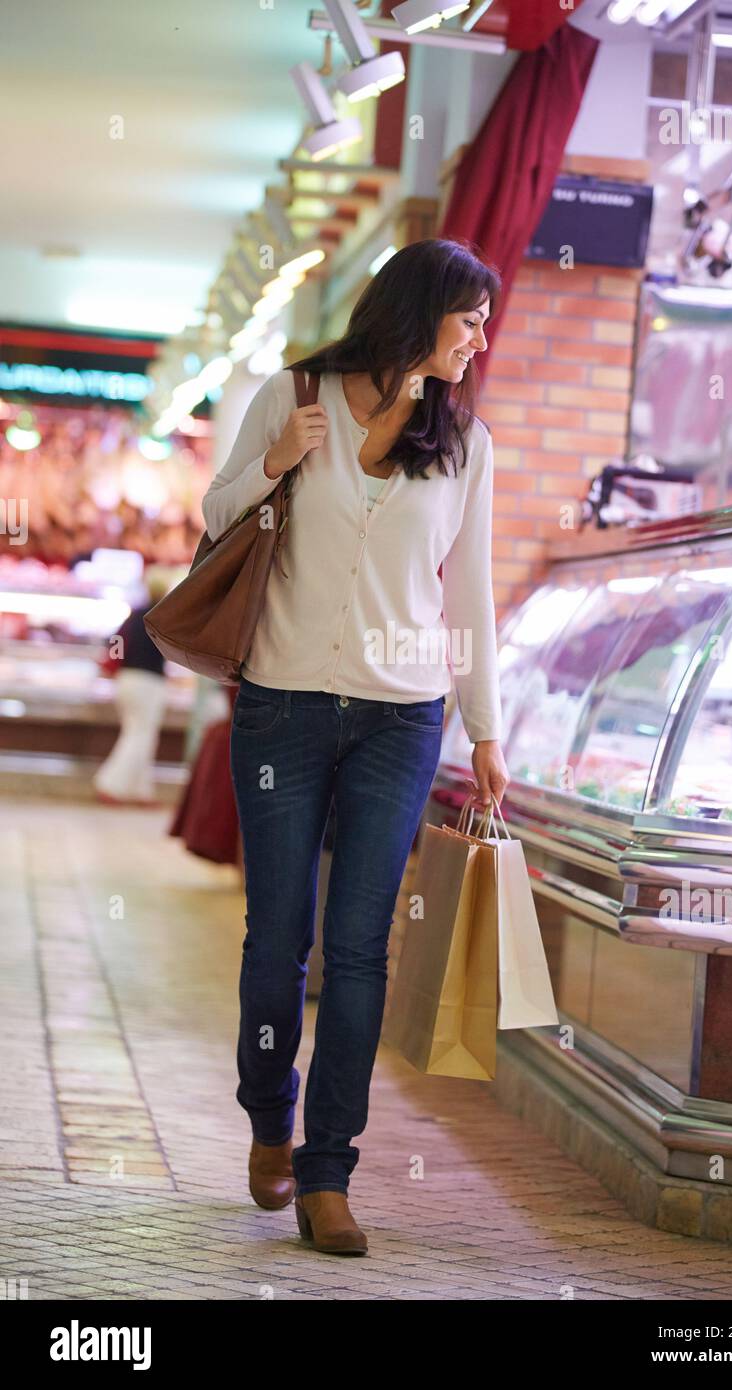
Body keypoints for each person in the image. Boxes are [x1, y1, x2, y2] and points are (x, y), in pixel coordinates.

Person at [201, 237, 510, 1256]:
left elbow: (465, 594)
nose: (478, 339)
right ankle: (265, 1116)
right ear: (416, 309)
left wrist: (485, 727)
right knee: (276, 936)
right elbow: (215, 516)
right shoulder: (296, 396)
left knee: (358, 948)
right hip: (283, 702)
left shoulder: (464, 443)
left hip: (400, 714)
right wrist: (272, 464)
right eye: (467, 317)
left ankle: (328, 1170)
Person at [93, 567, 171, 806]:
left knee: (140, 734)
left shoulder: (135, 615)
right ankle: (110, 784)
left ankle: (140, 791)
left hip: (127, 681)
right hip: (148, 684)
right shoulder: (165, 616)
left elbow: (114, 641)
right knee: (140, 736)